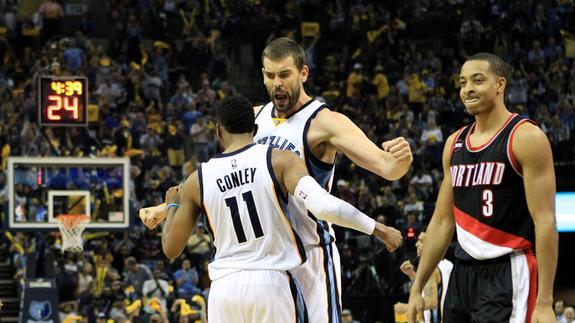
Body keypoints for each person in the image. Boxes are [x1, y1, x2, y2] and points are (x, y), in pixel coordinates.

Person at [140, 96, 403, 323]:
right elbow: (323, 206)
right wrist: (377, 228)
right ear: (255, 129)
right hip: (271, 282)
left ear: (219, 132)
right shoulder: (278, 159)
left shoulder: (199, 179)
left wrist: (171, 204)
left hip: (223, 290)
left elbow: (171, 249)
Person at [255, 37, 412, 323]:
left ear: (303, 73)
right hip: (267, 260)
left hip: (311, 256)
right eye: (270, 75)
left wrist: (400, 161)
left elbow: (387, 168)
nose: (277, 83)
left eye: (285, 74)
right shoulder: (254, 119)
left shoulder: (325, 122)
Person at [406, 53, 557, 323]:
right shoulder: (455, 143)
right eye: (463, 83)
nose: (468, 89)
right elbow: (441, 222)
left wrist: (545, 302)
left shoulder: (526, 137)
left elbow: (545, 221)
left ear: (500, 85)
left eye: (478, 80)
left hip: (508, 269)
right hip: (462, 274)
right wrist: (418, 285)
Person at [394, 231, 453, 323]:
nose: (416, 244)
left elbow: (432, 302)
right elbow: (429, 289)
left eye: (421, 241)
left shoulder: (432, 269)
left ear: (432, 245)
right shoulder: (448, 264)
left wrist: (407, 307)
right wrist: (412, 274)